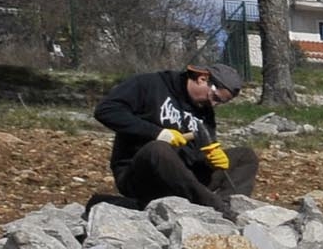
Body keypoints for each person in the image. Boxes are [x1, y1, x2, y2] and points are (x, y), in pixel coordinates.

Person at [95, 60, 256, 207]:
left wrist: (210, 159)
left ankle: (230, 204)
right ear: (202, 78)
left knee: (245, 156)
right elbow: (106, 111)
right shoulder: (149, 85)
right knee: (158, 149)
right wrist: (157, 133)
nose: (213, 105)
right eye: (214, 97)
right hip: (141, 176)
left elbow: (200, 152)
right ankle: (215, 207)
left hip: (184, 178)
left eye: (221, 102)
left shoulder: (204, 111)